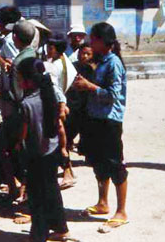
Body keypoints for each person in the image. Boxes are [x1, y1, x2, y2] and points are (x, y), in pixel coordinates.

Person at [73, 22, 128, 234]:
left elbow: (112, 95)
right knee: (98, 162)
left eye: (93, 40)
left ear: (102, 42)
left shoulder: (113, 63)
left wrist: (89, 86)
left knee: (115, 164)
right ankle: (102, 202)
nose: (90, 43)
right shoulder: (99, 61)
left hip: (109, 121)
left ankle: (121, 211)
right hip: (95, 118)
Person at [16, 57, 70, 242]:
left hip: (36, 155)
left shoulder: (26, 104)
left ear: (28, 80)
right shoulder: (49, 95)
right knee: (51, 190)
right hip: (51, 150)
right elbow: (59, 124)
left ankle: (39, 236)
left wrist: (16, 148)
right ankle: (61, 228)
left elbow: (23, 135)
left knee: (37, 197)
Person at [47, 35, 78, 190]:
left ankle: (68, 173)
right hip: (67, 103)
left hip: (59, 106)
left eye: (50, 48)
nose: (47, 50)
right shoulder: (65, 60)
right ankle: (68, 171)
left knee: (61, 142)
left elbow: (56, 89)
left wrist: (61, 104)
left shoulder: (53, 66)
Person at [66, 42, 95, 154]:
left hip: (87, 106)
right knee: (69, 132)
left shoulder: (94, 69)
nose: (85, 56)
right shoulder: (72, 67)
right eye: (83, 53)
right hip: (73, 105)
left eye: (88, 54)